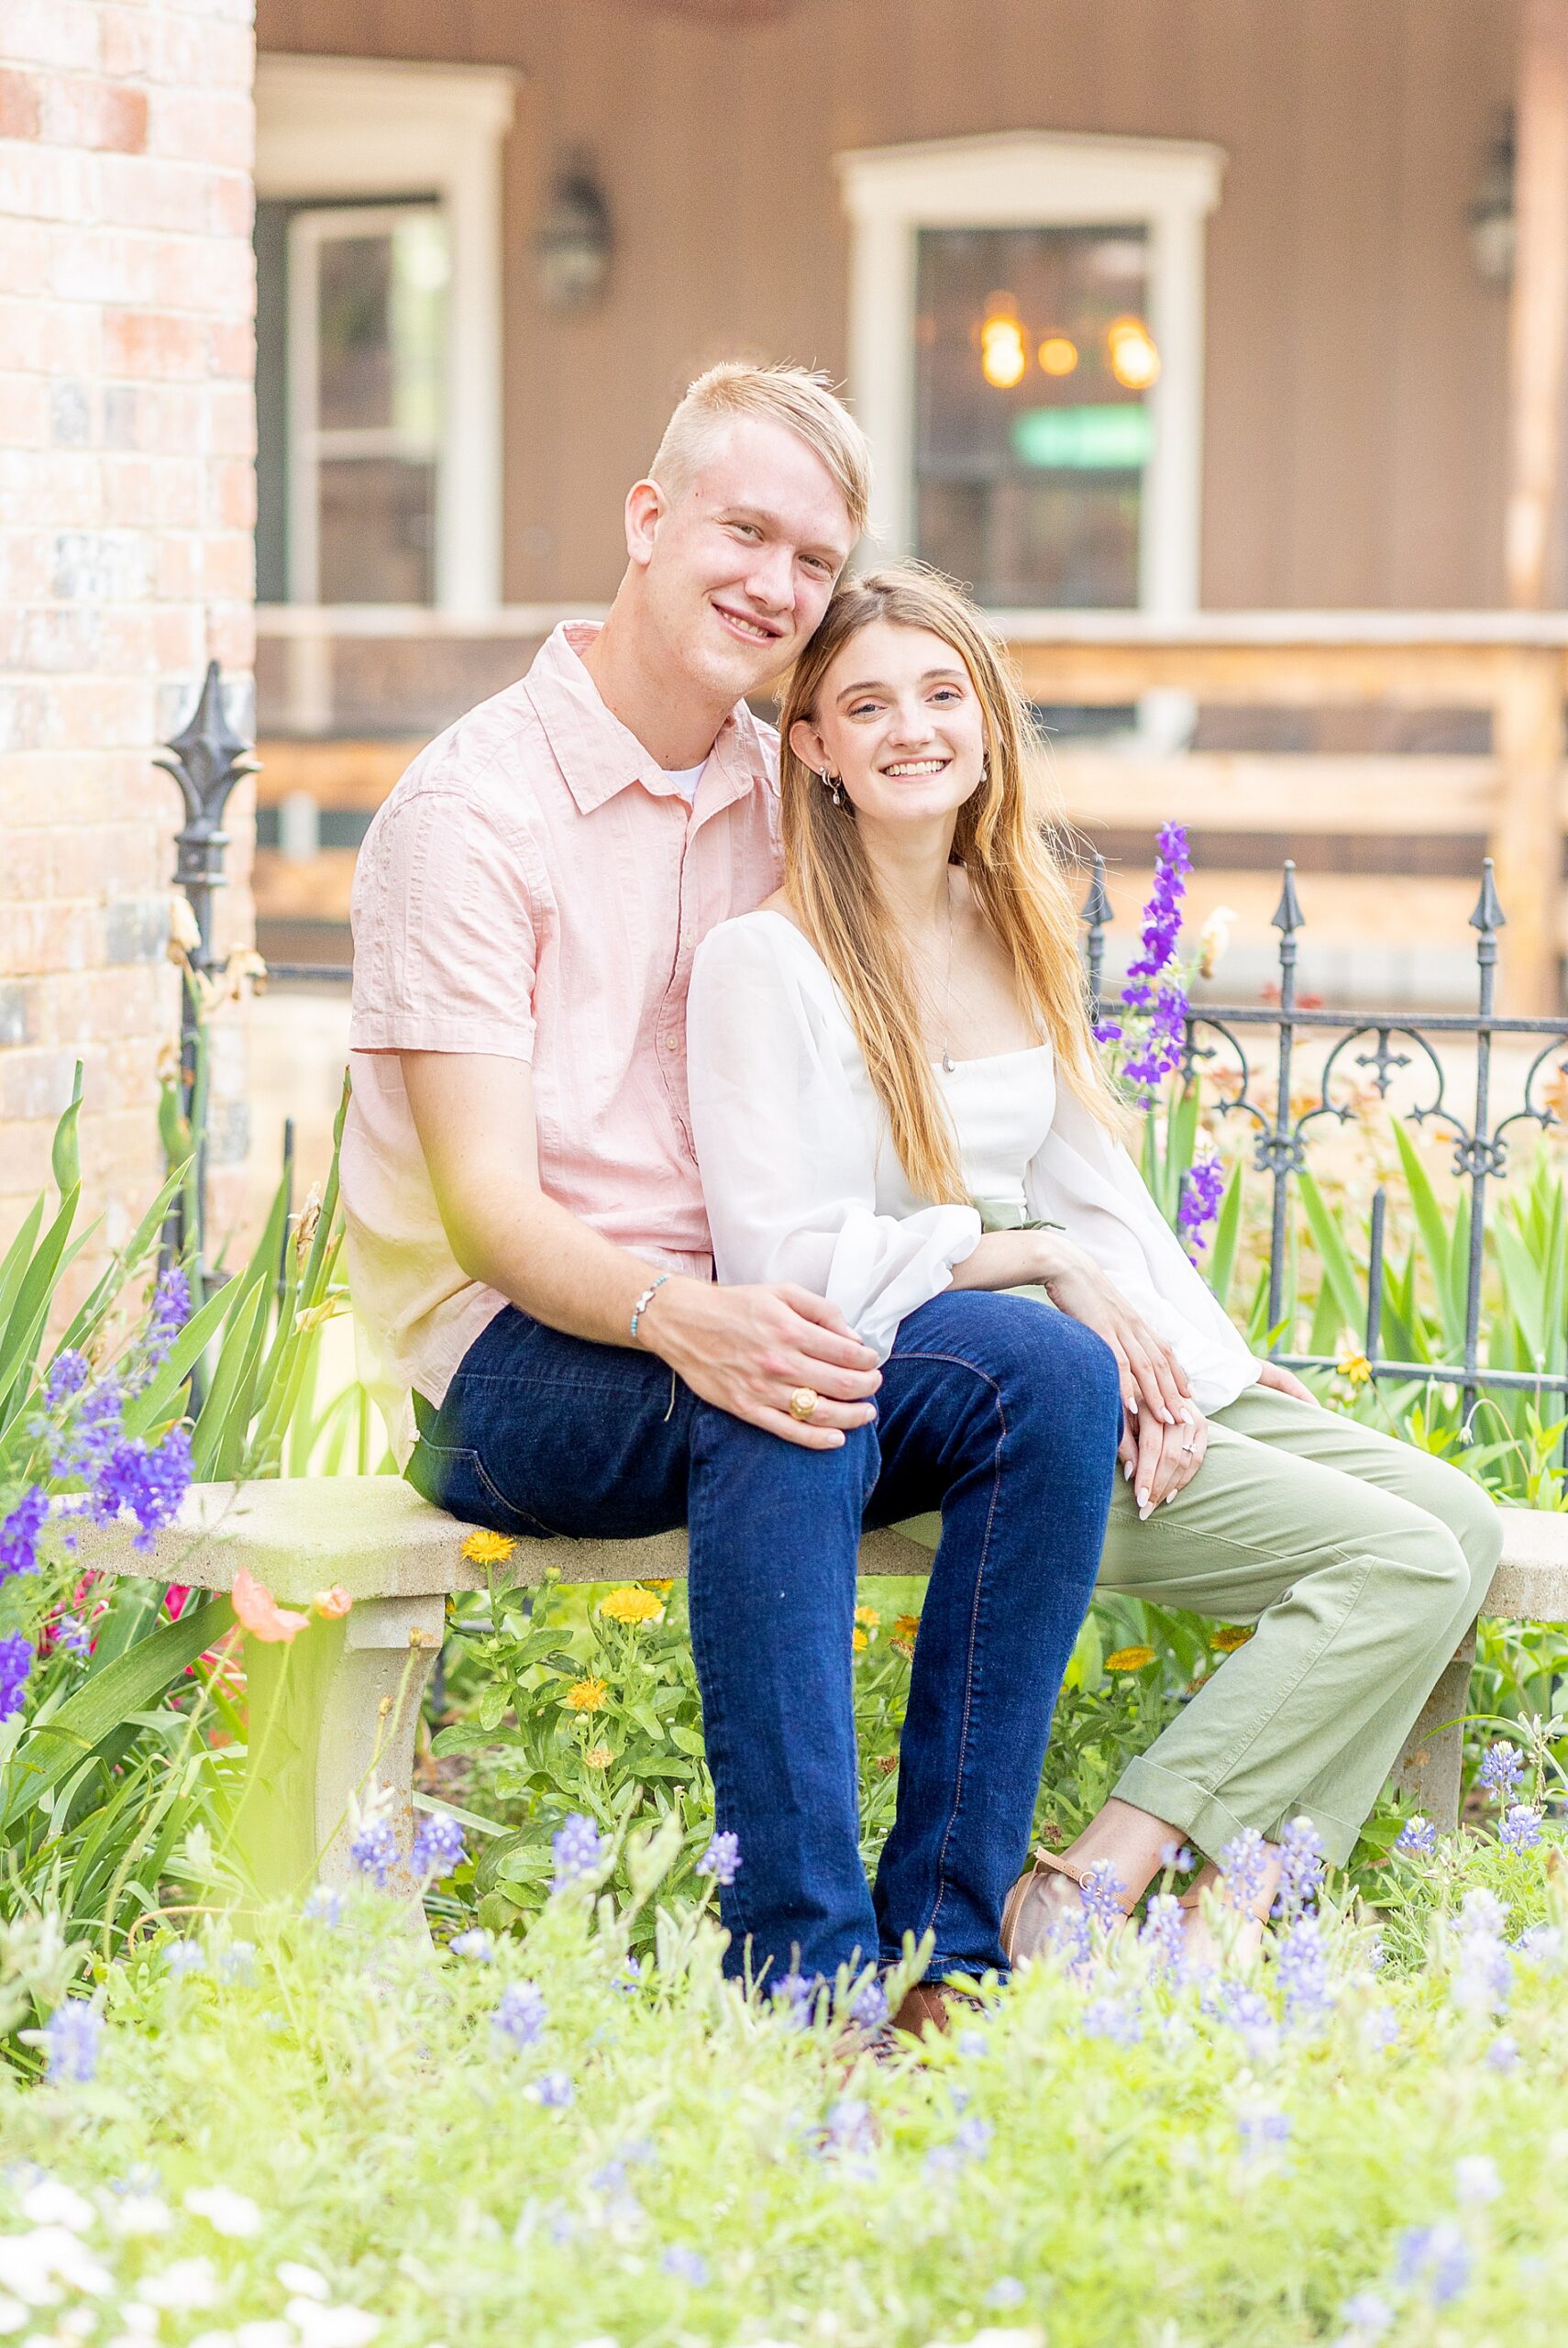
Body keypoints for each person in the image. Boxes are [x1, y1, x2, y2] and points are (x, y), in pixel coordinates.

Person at [340, 368, 1121, 2019]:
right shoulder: (470, 816)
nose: (775, 585)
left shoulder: (790, 782)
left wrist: (1060, 1268)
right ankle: (805, 1977)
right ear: (648, 519)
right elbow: (485, 1212)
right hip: (517, 1361)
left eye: (812, 559)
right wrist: (690, 1318)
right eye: (742, 530)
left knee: (1046, 1373)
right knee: (784, 1390)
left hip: (759, 1298)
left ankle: (946, 1964)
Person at [686, 563, 1504, 1964]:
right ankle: (1109, 1887)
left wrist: (1218, 1370)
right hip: (955, 1404)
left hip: (1095, 1346)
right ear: (808, 743)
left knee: (1461, 1529)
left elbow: (1095, 1189)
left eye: (942, 695)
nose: (911, 730)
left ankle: (1225, 1905)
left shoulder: (1006, 919)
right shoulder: (766, 960)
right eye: (864, 704)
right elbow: (791, 1257)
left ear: (989, 725)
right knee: (1392, 1564)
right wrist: (1037, 1269)